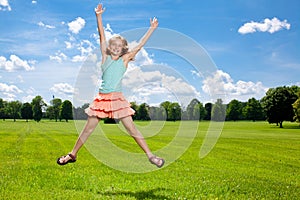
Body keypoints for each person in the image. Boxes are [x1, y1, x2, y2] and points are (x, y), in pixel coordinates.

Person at [57, 4, 165, 168]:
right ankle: (72, 154)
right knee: (88, 129)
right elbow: (102, 36)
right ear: (109, 48)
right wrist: (98, 16)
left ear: (123, 50)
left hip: (117, 99)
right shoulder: (105, 58)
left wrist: (152, 29)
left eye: (118, 46)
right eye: (112, 45)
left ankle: (151, 156)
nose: (115, 48)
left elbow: (140, 45)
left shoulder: (124, 60)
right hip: (102, 100)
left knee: (132, 130)